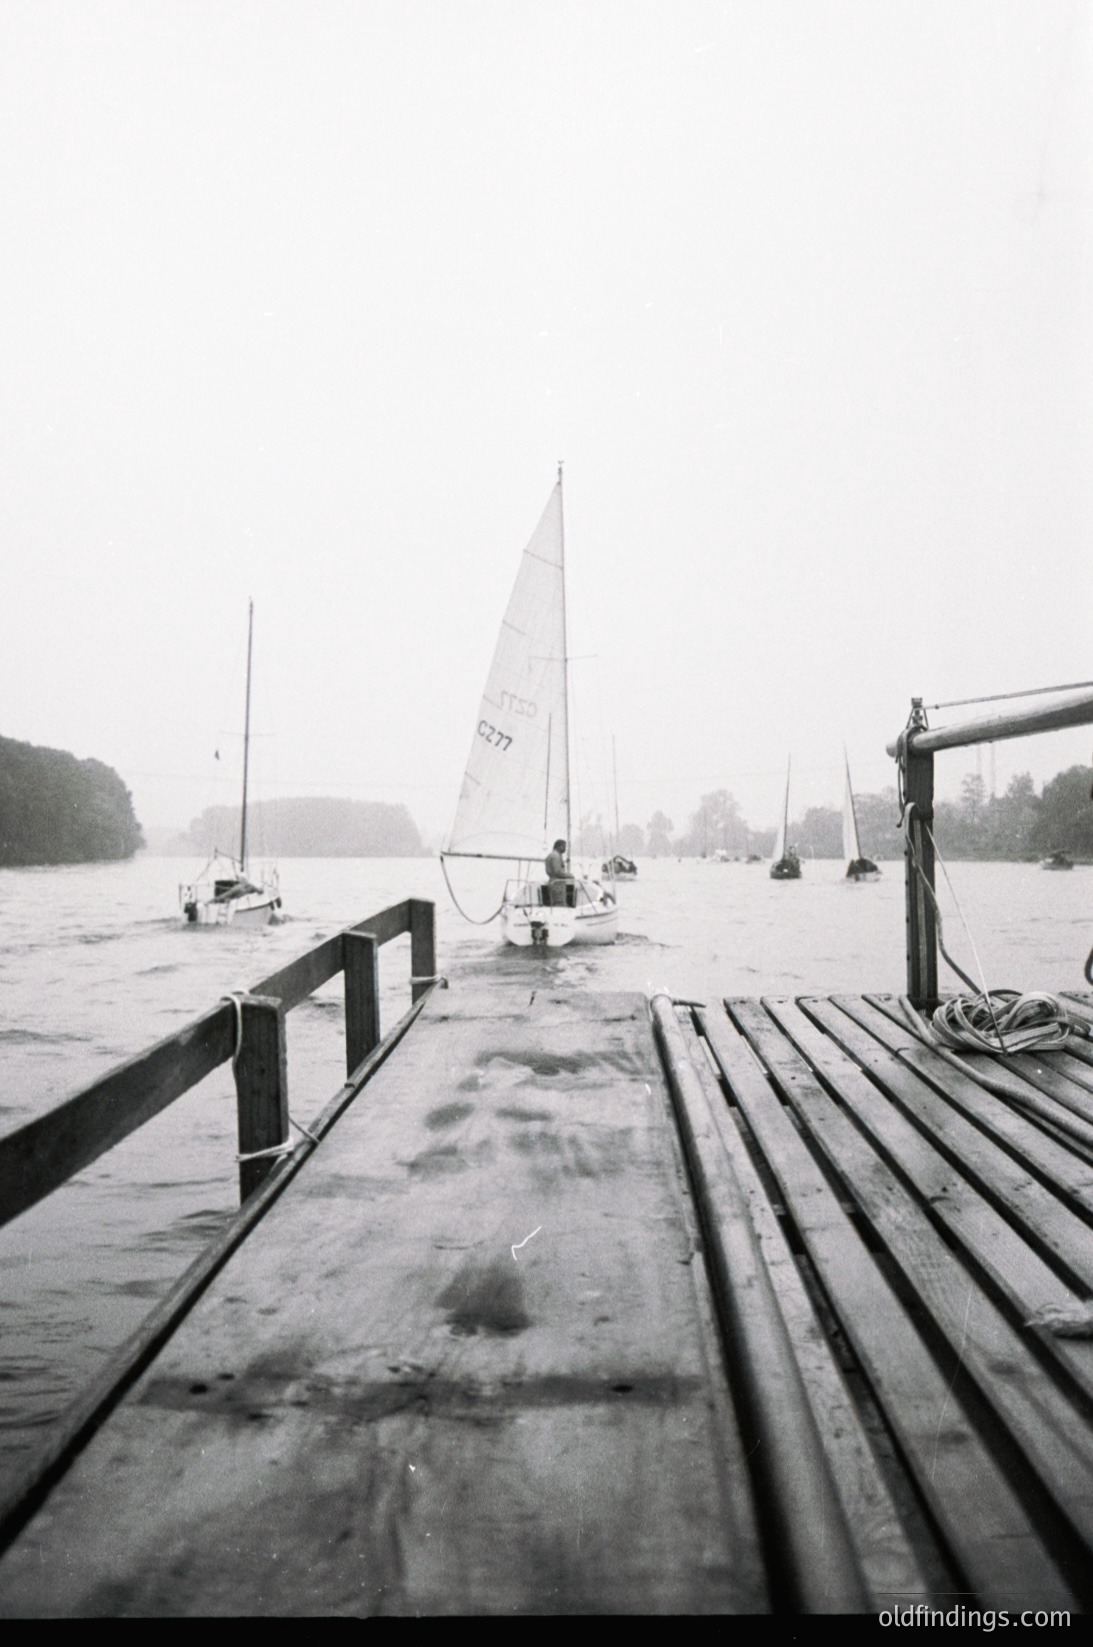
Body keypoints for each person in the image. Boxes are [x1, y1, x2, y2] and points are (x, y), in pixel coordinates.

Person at [545, 838, 573, 907]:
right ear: (559, 846)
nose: (565, 849)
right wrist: (569, 875)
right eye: (563, 846)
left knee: (555, 903)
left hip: (553, 881)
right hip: (557, 883)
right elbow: (557, 871)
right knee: (559, 903)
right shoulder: (555, 856)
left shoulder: (551, 855)